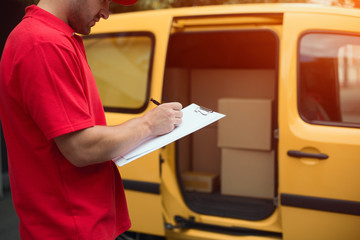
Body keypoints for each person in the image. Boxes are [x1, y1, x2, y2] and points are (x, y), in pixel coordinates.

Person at [0, 0, 183, 239]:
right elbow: (81, 147)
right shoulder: (43, 43)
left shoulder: (53, 37)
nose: (106, 13)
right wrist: (149, 124)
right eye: (104, 0)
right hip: (69, 228)